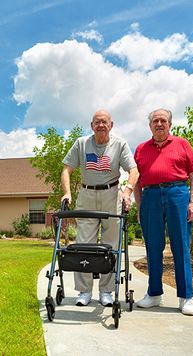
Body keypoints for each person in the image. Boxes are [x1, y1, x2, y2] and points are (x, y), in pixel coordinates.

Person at [61, 109, 139, 307]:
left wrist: (127, 191)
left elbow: (134, 170)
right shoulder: (81, 143)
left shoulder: (119, 144)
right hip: (86, 195)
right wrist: (67, 193)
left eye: (105, 122)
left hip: (111, 195)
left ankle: (106, 291)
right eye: (97, 122)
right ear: (92, 126)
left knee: (110, 246)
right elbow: (66, 169)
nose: (101, 125)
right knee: (83, 245)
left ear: (111, 125)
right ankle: (84, 291)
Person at [133, 108, 193, 316]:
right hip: (150, 196)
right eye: (155, 121)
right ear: (150, 125)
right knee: (153, 247)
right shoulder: (141, 148)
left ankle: (186, 297)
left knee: (180, 246)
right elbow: (135, 180)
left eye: (163, 120)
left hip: (177, 194)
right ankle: (154, 294)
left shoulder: (182, 144)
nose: (159, 123)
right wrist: (139, 206)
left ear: (170, 124)